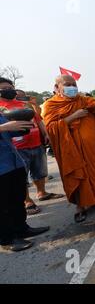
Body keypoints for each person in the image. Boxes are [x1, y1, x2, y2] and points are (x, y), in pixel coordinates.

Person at [43, 75, 95, 223]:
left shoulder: (83, 100)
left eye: (74, 84)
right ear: (57, 87)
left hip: (90, 146)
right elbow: (50, 128)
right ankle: (80, 206)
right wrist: (74, 116)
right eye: (68, 84)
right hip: (70, 148)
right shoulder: (50, 105)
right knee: (76, 174)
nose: (72, 87)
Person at [0, 81, 50, 252]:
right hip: (1, 167)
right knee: (3, 204)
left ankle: (22, 228)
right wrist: (4, 127)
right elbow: (4, 128)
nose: (8, 91)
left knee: (16, 199)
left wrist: (21, 127)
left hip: (13, 161)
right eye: (3, 89)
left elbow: (9, 132)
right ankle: (7, 239)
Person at [0, 83, 64, 216]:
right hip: (17, 147)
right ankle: (27, 200)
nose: (9, 90)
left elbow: (38, 119)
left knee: (40, 170)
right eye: (4, 88)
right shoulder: (1, 107)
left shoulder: (24, 104)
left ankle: (42, 192)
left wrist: (45, 134)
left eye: (10, 88)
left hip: (36, 142)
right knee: (22, 176)